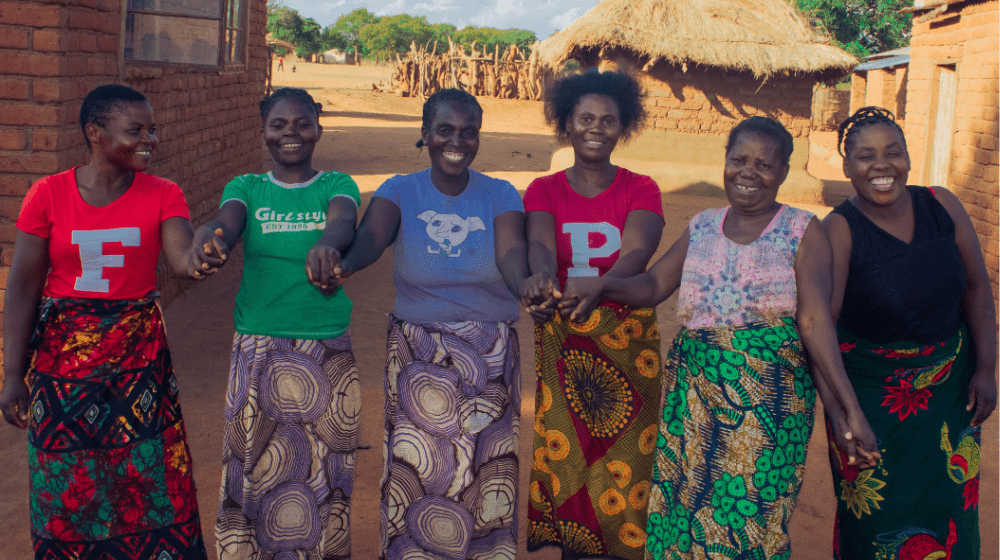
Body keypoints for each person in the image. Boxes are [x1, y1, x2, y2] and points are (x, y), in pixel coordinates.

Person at [561, 116, 879, 559]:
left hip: (768, 407)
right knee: (684, 512)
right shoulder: (704, 225)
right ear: (725, 162)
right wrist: (603, 285)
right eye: (738, 160)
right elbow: (653, 286)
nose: (748, 172)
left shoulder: (803, 230)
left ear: (784, 171)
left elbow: (814, 322)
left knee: (749, 517)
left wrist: (848, 409)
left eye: (764, 164)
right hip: (694, 402)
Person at [0, 84, 207, 558]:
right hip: (62, 367)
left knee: (148, 472)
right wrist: (13, 373)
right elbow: (24, 287)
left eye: (152, 130)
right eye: (135, 130)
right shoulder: (48, 194)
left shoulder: (163, 193)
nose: (149, 139)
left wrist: (202, 254)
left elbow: (180, 259)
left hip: (139, 365)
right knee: (66, 481)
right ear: (95, 133)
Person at [328, 88, 528, 559]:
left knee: (485, 472)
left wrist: (528, 285)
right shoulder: (401, 189)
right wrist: (347, 263)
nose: (456, 141)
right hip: (416, 354)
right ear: (425, 135)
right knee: (417, 471)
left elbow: (511, 253)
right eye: (444, 130)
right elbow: (372, 237)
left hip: (489, 355)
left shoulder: (499, 193)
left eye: (468, 132)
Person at [188, 87, 362, 559]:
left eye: (302, 123)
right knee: (252, 462)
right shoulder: (246, 187)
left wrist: (329, 244)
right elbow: (226, 222)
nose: (291, 134)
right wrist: (211, 238)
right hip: (258, 347)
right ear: (263, 130)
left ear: (318, 127)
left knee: (326, 467)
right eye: (279, 125)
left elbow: (343, 222)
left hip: (325, 348)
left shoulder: (336, 183)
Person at [822, 106, 997, 559]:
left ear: (907, 158)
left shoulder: (942, 205)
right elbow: (821, 329)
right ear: (846, 167)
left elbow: (977, 287)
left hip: (949, 392)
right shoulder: (839, 230)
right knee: (875, 517)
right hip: (867, 399)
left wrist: (985, 369)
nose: (881, 165)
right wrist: (841, 412)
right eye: (865, 156)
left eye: (892, 152)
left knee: (948, 506)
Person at [521, 70, 665, 560]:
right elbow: (539, 245)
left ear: (624, 125)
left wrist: (602, 284)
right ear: (566, 122)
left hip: (626, 344)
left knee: (627, 463)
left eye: (608, 119)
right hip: (566, 342)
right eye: (585, 117)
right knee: (571, 466)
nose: (596, 127)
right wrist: (542, 277)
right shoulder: (543, 189)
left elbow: (637, 254)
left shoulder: (641, 188)